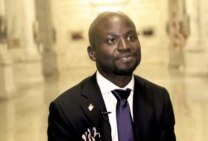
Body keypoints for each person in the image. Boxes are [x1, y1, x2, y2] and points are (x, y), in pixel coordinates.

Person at [47, 11, 176, 141]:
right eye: (111, 40)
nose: (124, 46)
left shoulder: (159, 99)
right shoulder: (66, 110)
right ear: (92, 53)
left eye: (131, 37)